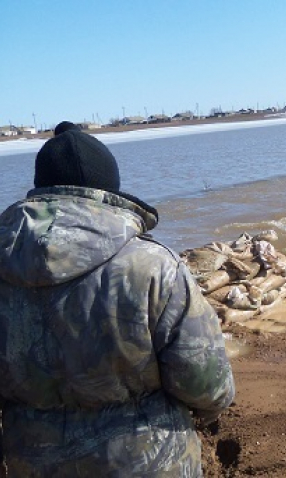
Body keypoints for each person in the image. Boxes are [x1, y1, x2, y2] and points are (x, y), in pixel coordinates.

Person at [0, 122, 235, 476]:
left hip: (31, 463)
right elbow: (207, 385)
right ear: (109, 190)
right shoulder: (154, 267)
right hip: (148, 464)